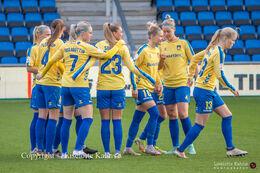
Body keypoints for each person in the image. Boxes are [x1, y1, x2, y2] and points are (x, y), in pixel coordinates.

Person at [37, 21, 125, 159]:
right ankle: (78, 149)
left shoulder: (66, 45)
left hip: (65, 86)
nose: (91, 35)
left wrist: (41, 73)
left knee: (66, 120)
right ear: (83, 33)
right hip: (79, 86)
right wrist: (120, 44)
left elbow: (52, 60)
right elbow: (107, 55)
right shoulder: (87, 47)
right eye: (90, 33)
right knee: (88, 118)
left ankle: (64, 153)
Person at [174, 27, 248, 158]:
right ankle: (180, 150)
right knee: (200, 124)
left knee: (227, 115)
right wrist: (232, 88)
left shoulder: (211, 49)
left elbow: (194, 58)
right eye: (233, 40)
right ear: (225, 39)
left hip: (208, 90)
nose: (234, 43)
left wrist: (191, 76)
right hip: (205, 91)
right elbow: (220, 75)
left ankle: (230, 148)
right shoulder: (218, 51)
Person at [85, 22, 156, 158]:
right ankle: (117, 152)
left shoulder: (99, 45)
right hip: (118, 88)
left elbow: (90, 62)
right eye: (120, 32)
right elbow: (132, 67)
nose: (122, 35)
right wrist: (148, 77)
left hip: (103, 88)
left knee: (105, 121)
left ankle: (107, 153)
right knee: (117, 120)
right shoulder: (122, 47)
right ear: (114, 33)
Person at [158, 15, 197, 155]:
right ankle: (175, 146)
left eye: (168, 31)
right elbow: (159, 68)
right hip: (168, 84)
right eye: (164, 32)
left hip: (182, 83)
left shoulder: (184, 43)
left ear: (174, 29)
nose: (166, 34)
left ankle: (189, 144)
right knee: (172, 115)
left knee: (183, 113)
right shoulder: (161, 46)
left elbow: (194, 61)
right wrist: (161, 60)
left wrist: (192, 77)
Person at [124, 21, 164, 156]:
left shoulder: (157, 50)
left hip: (151, 88)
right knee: (155, 114)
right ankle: (149, 145)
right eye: (160, 36)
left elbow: (156, 71)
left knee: (137, 118)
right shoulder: (143, 50)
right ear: (152, 36)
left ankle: (128, 147)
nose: (162, 38)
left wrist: (159, 84)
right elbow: (132, 68)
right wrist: (134, 87)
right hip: (141, 87)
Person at [34, 19, 66, 157]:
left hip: (40, 83)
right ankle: (48, 151)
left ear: (52, 29)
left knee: (41, 116)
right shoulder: (60, 43)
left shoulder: (42, 42)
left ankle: (39, 150)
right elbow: (59, 64)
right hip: (53, 83)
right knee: (53, 117)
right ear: (62, 29)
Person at [26, 25, 51, 154]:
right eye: (47, 35)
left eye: (50, 34)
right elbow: (29, 67)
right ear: (39, 35)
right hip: (39, 86)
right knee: (38, 116)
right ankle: (34, 147)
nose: (49, 37)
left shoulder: (50, 47)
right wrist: (44, 71)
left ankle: (45, 146)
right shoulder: (33, 48)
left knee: (47, 117)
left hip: (50, 85)